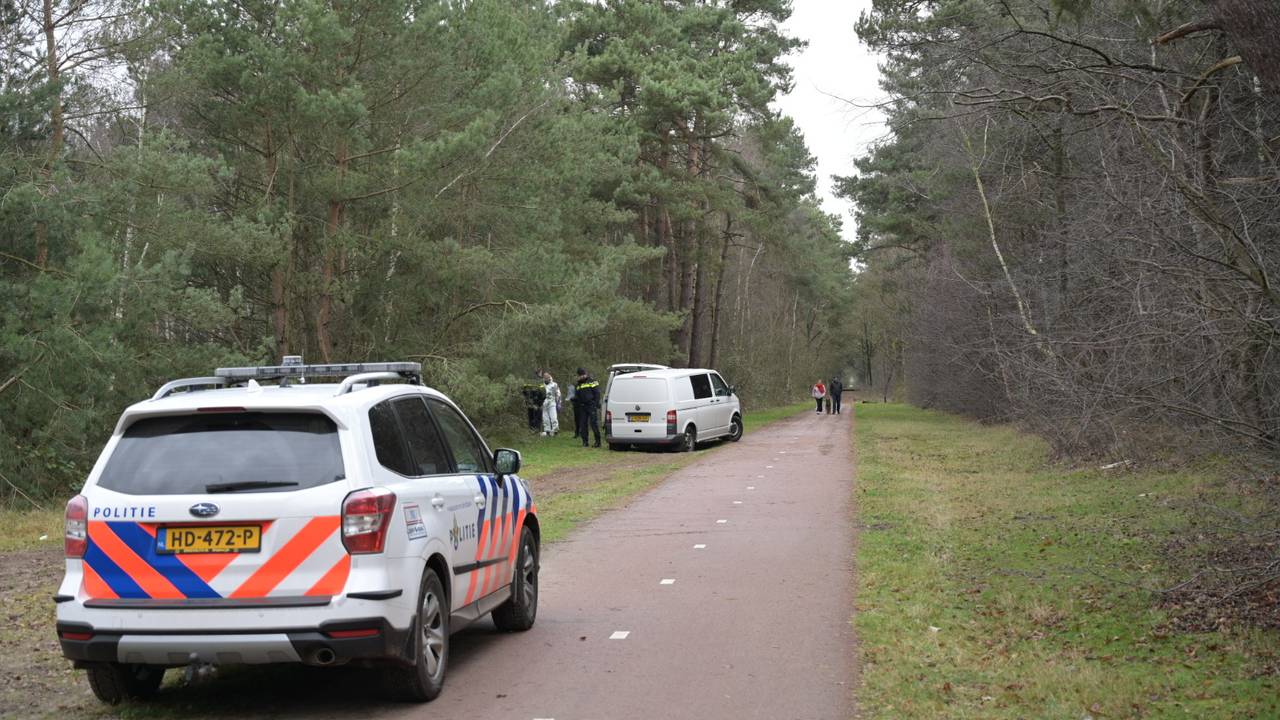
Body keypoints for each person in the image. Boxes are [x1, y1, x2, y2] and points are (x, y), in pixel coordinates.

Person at [573, 367, 602, 447]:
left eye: (583, 374)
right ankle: (585, 442)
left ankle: (598, 442)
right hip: (582, 407)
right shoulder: (578, 384)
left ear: (586, 374)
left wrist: (596, 404)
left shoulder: (592, 381)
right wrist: (574, 400)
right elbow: (577, 396)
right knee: (583, 424)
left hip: (591, 405)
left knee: (593, 424)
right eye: (580, 375)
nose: (582, 376)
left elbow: (597, 393)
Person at [541, 372, 561, 436]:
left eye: (547, 377)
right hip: (544, 403)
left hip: (552, 402)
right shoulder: (542, 385)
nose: (546, 379)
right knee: (545, 418)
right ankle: (547, 431)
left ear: (549, 377)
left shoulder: (554, 384)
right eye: (545, 378)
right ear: (543, 378)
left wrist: (559, 403)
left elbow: (558, 394)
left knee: (554, 417)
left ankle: (555, 431)